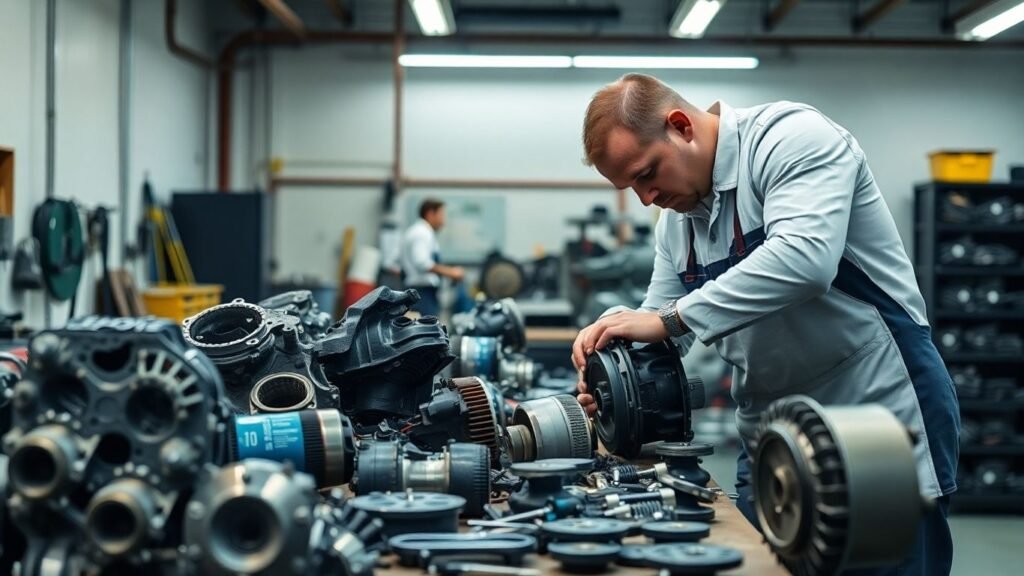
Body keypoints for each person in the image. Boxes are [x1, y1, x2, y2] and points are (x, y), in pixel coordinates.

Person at [571, 73, 959, 576]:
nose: (646, 198)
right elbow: (660, 329)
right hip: (775, 434)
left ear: (682, 126)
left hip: (875, 414)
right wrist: (608, 358)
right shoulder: (678, 222)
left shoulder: (791, 139)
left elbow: (805, 260)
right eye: (631, 186)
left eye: (647, 175)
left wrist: (665, 319)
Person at [401, 198, 465, 317]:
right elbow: (422, 263)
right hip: (421, 293)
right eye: (441, 215)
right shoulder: (421, 233)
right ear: (430, 214)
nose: (443, 221)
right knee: (425, 332)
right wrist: (451, 272)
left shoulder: (424, 232)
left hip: (424, 292)